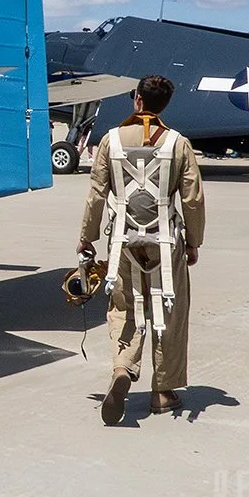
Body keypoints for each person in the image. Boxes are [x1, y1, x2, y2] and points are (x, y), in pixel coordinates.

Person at [78, 75, 206, 424]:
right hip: (166, 242)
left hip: (122, 242)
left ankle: (123, 368)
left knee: (124, 308)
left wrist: (86, 238)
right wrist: (194, 242)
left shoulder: (110, 140)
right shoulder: (178, 143)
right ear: (164, 105)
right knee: (169, 314)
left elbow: (96, 195)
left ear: (136, 100)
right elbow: (192, 199)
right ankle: (162, 391)